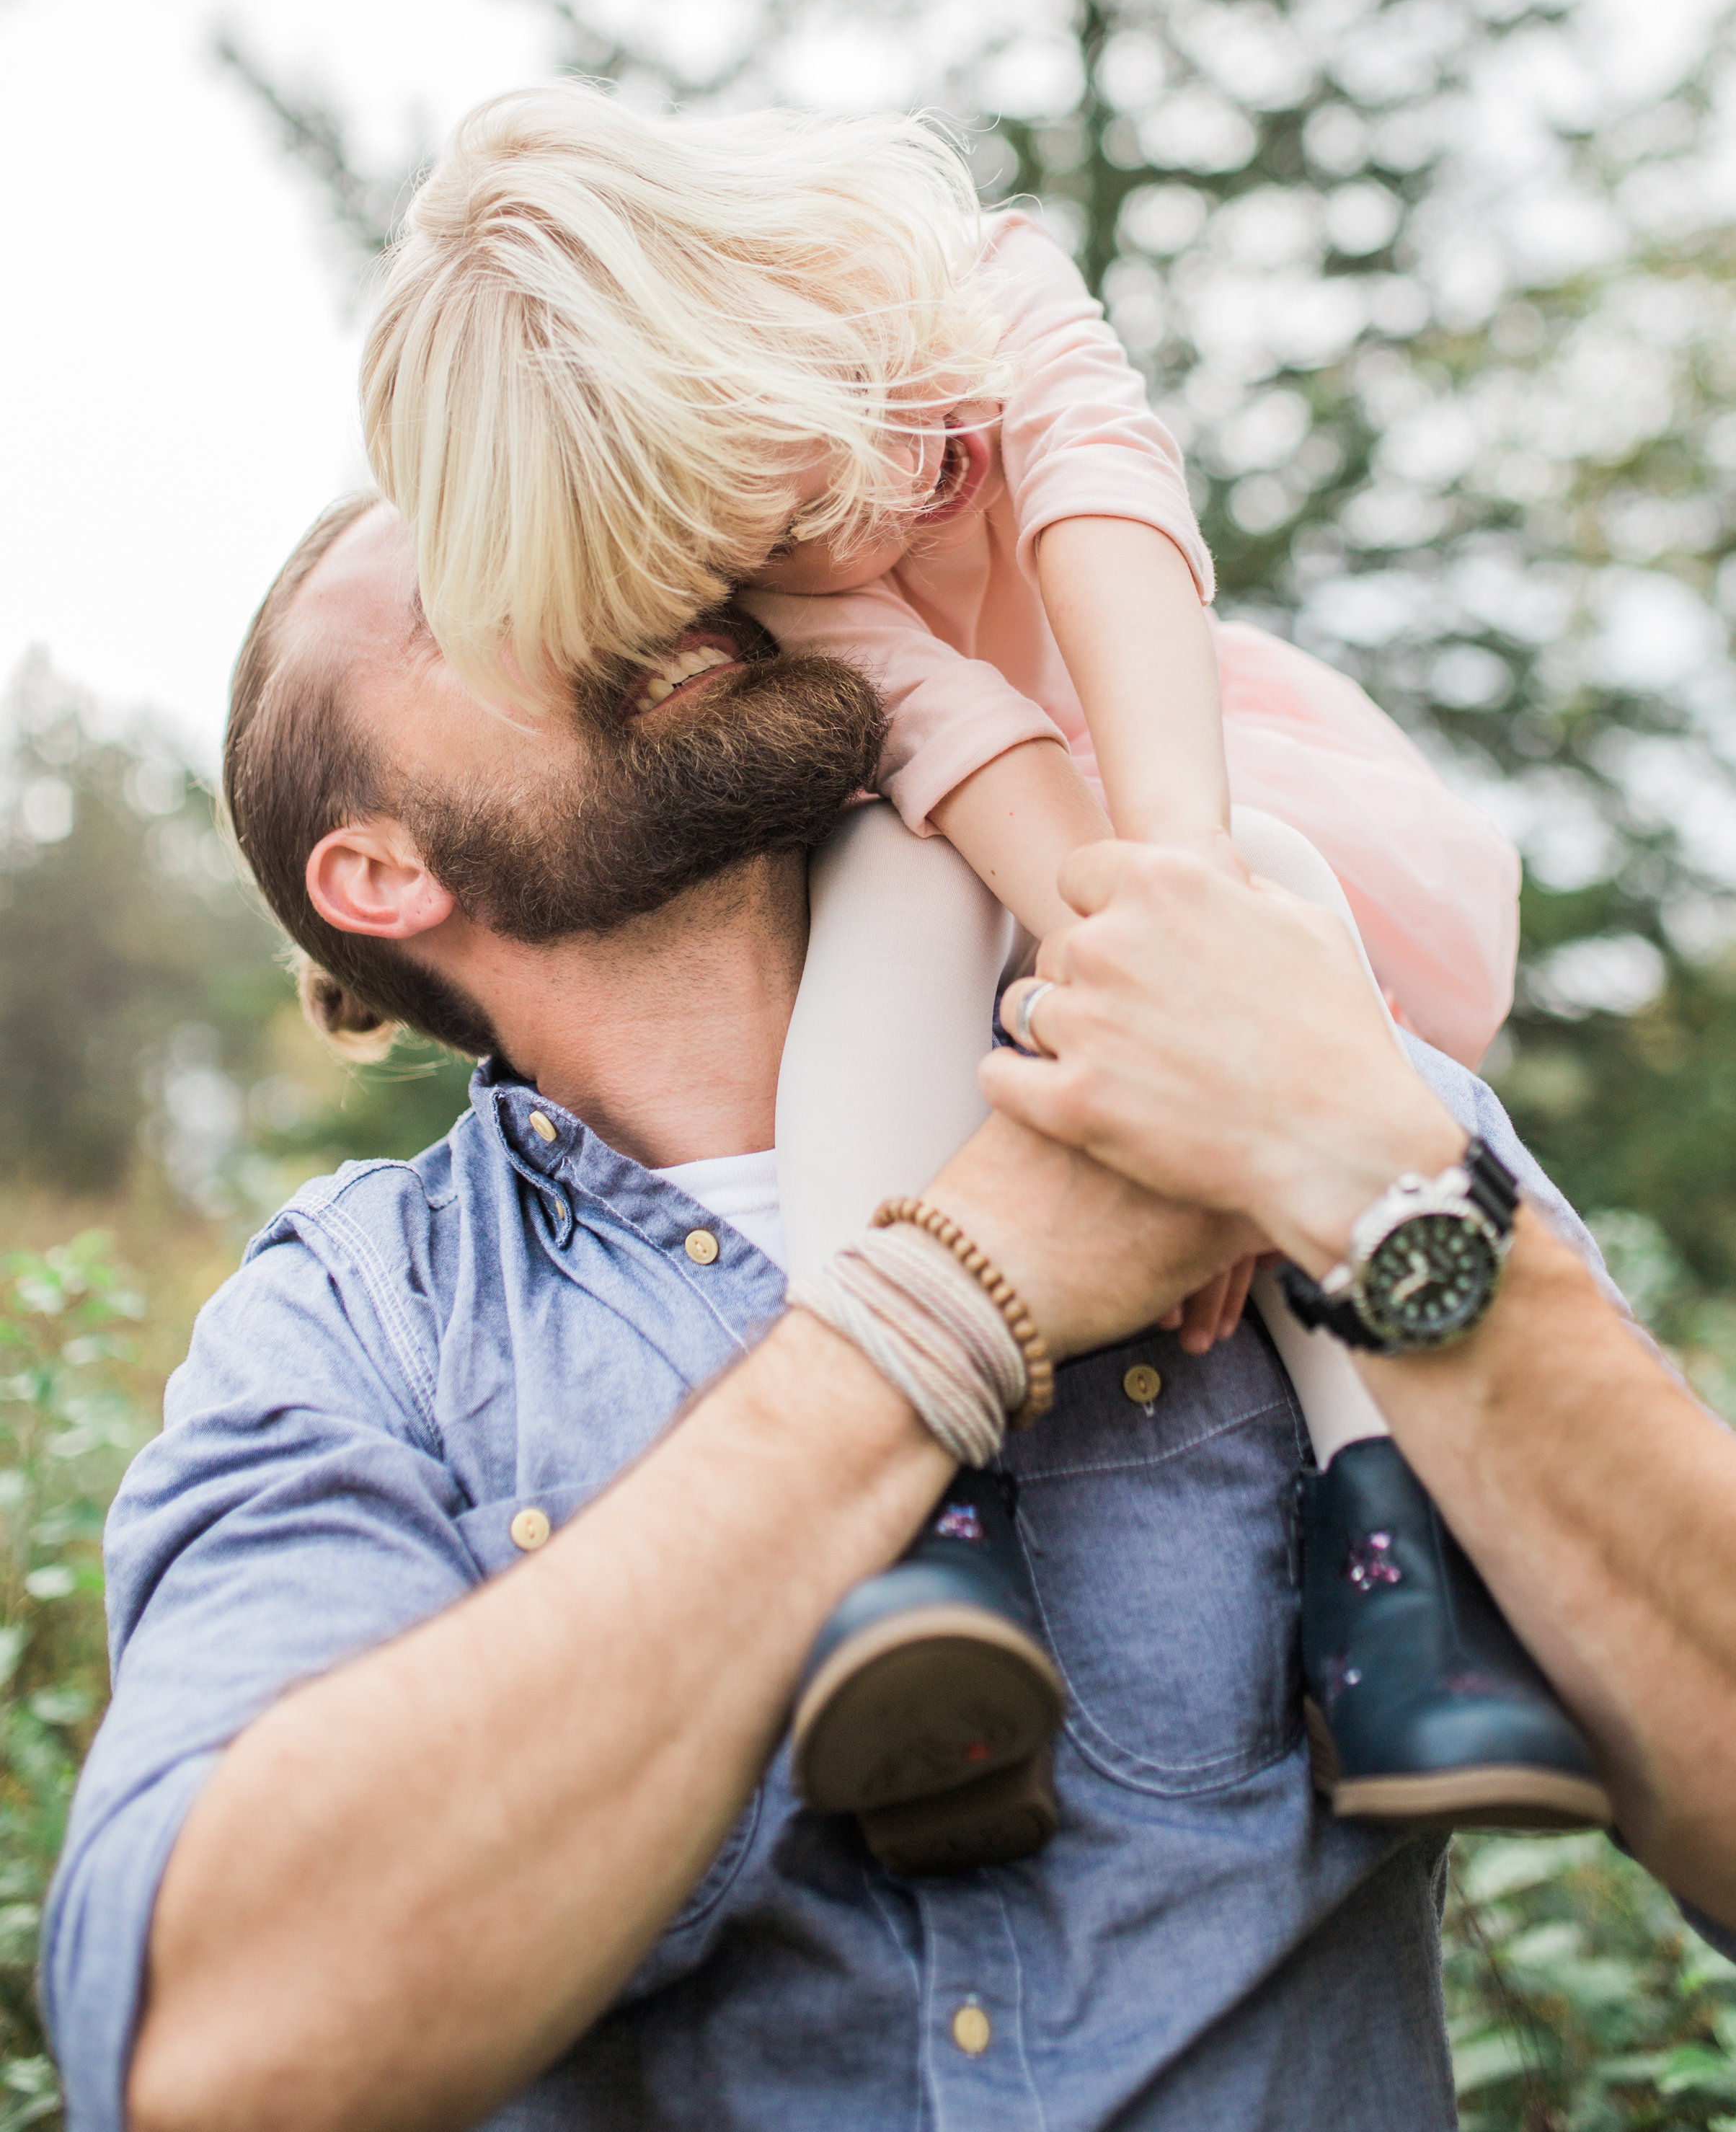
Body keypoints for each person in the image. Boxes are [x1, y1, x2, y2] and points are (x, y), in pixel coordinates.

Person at [51, 497, 1626, 2132]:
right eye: (474, 605)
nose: (605, 579)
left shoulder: (1276, 1044)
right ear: (383, 871)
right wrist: (957, 1287)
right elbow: (204, 2063)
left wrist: (1377, 1199)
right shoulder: (352, 1322)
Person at [355, 83, 1578, 1837]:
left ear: (766, 316)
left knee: (1275, 874)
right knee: (895, 876)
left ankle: (1393, 1561)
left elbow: (1113, 537)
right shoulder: (795, 590)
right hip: (986, 833)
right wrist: (1147, 1036)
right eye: (737, 560)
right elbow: (963, 743)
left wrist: (1204, 983)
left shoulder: (989, 283)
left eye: (773, 488)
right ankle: (918, 1548)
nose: (800, 560)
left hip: (1173, 763)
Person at [980, 836, 1736, 1983]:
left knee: (1274, 859)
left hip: (1129, 854)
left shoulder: (1409, 1086)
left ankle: (1402, 1555)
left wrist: (1331, 1138)